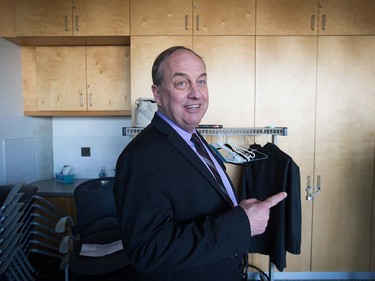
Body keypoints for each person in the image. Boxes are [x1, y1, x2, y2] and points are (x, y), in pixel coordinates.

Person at [113, 46, 287, 281]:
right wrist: (241, 223)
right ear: (158, 95)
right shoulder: (140, 157)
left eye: (201, 81)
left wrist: (239, 209)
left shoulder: (195, 139)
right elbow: (148, 251)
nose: (197, 94)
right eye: (182, 83)